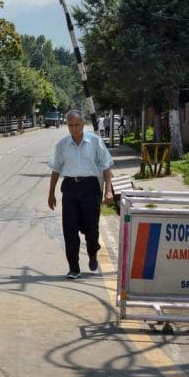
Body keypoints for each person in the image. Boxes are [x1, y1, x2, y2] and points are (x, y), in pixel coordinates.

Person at [48, 110, 114, 279]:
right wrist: (51, 193)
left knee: (92, 229)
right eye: (70, 125)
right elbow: (56, 170)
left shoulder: (95, 142)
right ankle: (74, 268)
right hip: (70, 188)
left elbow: (106, 167)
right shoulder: (62, 145)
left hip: (90, 188)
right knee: (69, 230)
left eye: (76, 125)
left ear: (83, 125)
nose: (74, 129)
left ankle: (93, 252)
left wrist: (107, 191)